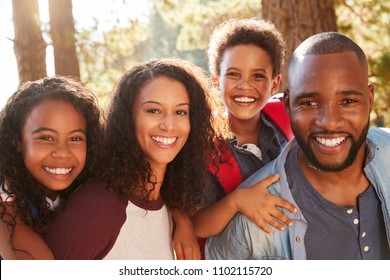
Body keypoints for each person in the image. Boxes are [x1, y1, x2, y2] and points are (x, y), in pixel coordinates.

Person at [206, 31, 390, 260]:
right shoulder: (251, 230)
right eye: (309, 103)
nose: (330, 122)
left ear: (370, 99)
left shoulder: (386, 152)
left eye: (348, 101)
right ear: (288, 105)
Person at [44, 58, 219, 260]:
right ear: (129, 118)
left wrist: (183, 219)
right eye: (153, 110)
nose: (169, 125)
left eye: (180, 112)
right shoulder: (97, 205)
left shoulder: (168, 205)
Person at [192, 18, 297, 242]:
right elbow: (197, 224)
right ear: (216, 80)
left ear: (274, 84)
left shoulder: (287, 119)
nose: (245, 85)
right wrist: (236, 201)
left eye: (258, 76)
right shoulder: (204, 146)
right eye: (233, 74)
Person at [0, 76, 103, 259]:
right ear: (17, 141)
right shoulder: (6, 203)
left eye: (75, 138)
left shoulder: (86, 193)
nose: (62, 153)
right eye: (46, 138)